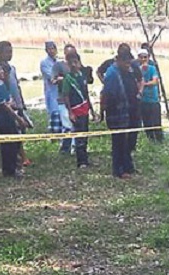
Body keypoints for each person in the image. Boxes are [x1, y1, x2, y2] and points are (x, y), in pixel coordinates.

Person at [0, 60, 26, 178]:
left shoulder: (2, 83)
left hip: (10, 116)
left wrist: (12, 105)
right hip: (3, 118)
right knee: (7, 144)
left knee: (14, 142)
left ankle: (15, 166)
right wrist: (18, 118)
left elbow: (10, 100)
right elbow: (4, 105)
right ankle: (8, 169)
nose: (1, 72)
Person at [101, 50, 137, 179]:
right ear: (119, 60)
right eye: (126, 63)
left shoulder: (119, 72)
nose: (128, 65)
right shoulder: (111, 74)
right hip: (115, 113)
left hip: (122, 112)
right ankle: (119, 170)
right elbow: (105, 95)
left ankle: (127, 166)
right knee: (118, 142)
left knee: (124, 140)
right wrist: (102, 113)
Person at [0, 40, 31, 169]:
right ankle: (19, 158)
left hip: (18, 103)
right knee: (13, 131)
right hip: (9, 105)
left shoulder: (12, 68)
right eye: (7, 52)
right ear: (0, 52)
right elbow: (2, 87)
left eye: (11, 51)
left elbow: (16, 85)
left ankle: (21, 156)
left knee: (21, 130)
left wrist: (21, 102)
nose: (10, 54)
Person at [60, 51, 97, 169]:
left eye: (76, 62)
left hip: (84, 108)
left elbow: (86, 94)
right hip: (76, 110)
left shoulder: (82, 76)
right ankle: (81, 161)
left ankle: (85, 158)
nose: (74, 65)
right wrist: (70, 112)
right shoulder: (68, 79)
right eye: (71, 63)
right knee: (79, 135)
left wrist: (92, 110)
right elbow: (65, 96)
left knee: (85, 134)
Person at [52, 44, 77, 155]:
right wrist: (65, 79)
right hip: (63, 98)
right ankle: (65, 148)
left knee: (75, 124)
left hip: (76, 100)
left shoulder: (76, 65)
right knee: (67, 125)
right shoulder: (59, 66)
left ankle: (75, 147)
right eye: (69, 54)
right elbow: (53, 80)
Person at [137, 49, 163, 143]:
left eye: (145, 57)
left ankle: (160, 141)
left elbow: (155, 81)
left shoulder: (152, 68)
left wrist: (145, 84)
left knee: (156, 123)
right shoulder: (137, 70)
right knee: (147, 123)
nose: (143, 59)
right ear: (138, 58)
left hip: (153, 100)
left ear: (148, 58)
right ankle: (151, 141)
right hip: (143, 101)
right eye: (141, 57)